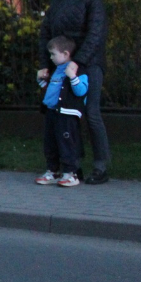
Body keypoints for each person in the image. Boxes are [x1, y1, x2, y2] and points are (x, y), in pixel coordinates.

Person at [37, 0, 109, 184]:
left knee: (91, 114)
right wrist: (44, 65)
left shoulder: (92, 0)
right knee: (62, 116)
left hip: (89, 66)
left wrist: (77, 62)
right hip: (61, 70)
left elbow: (95, 34)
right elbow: (46, 35)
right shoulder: (57, 3)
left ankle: (101, 167)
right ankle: (70, 166)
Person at [35, 35, 89, 188]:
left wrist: (72, 76)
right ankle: (53, 170)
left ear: (65, 54)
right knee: (50, 142)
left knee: (67, 142)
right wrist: (40, 79)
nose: (50, 57)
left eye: (53, 54)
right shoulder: (56, 71)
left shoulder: (78, 70)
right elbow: (50, 90)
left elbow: (81, 91)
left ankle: (71, 172)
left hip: (67, 114)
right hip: (52, 112)